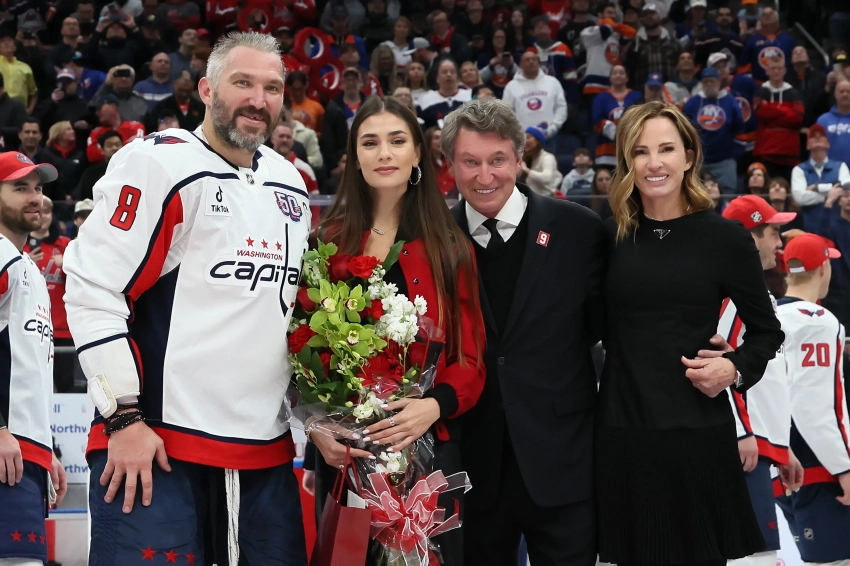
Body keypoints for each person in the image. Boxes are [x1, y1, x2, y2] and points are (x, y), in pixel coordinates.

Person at [63, 32, 310, 565]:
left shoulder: (290, 182)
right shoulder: (159, 164)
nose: (258, 100)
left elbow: (286, 317)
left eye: (272, 88)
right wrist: (122, 418)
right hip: (156, 444)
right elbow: (93, 285)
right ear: (206, 89)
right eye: (242, 83)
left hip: (264, 454)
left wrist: (318, 417)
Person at [598, 101, 785, 566]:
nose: (654, 163)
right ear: (626, 161)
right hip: (624, 432)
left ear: (689, 156)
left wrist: (733, 367)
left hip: (699, 433)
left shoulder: (725, 239)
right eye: (640, 151)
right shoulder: (606, 238)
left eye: (666, 149)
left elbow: (767, 332)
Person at [313, 95, 485, 566]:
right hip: (345, 454)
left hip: (427, 445)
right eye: (370, 143)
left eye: (396, 141)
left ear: (417, 155)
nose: (384, 153)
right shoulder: (327, 242)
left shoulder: (450, 247)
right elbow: (303, 350)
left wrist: (433, 406)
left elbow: (470, 357)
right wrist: (317, 427)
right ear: (354, 157)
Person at [444, 97, 605, 566]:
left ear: (519, 159)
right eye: (470, 161)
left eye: (497, 160)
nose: (485, 175)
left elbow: (605, 329)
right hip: (472, 469)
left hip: (564, 463)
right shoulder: (433, 240)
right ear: (450, 165)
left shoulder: (579, 230)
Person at [718, 195, 804, 566]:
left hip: (757, 443)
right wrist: (740, 432)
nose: (780, 242)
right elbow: (716, 364)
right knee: (753, 558)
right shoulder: (729, 291)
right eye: (773, 232)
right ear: (749, 236)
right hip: (739, 447)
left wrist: (783, 445)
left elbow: (765, 379)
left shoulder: (752, 290)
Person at [0, 152, 67, 565]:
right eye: (19, 187)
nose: (35, 197)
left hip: (27, 449)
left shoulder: (26, 265)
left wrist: (47, 447)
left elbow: (29, 370)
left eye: (38, 188)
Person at [775, 234, 850, 564]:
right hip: (818, 466)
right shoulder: (819, 321)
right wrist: (845, 467)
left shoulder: (767, 314)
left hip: (780, 463)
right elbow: (818, 404)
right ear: (823, 268)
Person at [22, 196, 76, 392]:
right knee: (31, 385)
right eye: (38, 211)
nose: (42, 216)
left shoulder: (67, 245)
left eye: (47, 211)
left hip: (62, 328)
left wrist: (70, 264)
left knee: (66, 386)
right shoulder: (19, 248)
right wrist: (24, 263)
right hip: (29, 328)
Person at [684, 66, 744, 194]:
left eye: (712, 81)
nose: (709, 84)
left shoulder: (730, 101)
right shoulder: (693, 102)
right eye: (706, 82)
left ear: (719, 81)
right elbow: (684, 130)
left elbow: (740, 129)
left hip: (725, 161)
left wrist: (733, 155)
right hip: (699, 161)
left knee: (728, 196)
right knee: (695, 195)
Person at [754, 54, 805, 182]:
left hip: (790, 153)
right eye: (773, 68)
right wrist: (786, 111)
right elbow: (761, 113)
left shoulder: (794, 92)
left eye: (779, 68)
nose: (776, 71)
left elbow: (797, 118)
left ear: (785, 70)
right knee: (767, 189)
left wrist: (772, 108)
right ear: (767, 71)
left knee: (789, 190)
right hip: (766, 151)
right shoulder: (760, 91)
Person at [791, 123, 850, 232]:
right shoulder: (799, 170)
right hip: (810, 229)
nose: (817, 137)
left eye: (821, 135)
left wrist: (818, 187)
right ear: (807, 146)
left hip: (838, 230)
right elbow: (800, 198)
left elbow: (846, 189)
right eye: (813, 136)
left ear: (828, 144)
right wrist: (831, 195)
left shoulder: (841, 166)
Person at [502, 50, 567, 142]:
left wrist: (553, 128)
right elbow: (506, 114)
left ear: (538, 63)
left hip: (549, 137)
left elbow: (561, 107)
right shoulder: (511, 87)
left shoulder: (553, 82)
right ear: (520, 65)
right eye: (527, 60)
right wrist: (518, 134)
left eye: (534, 59)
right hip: (523, 140)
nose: (531, 62)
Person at [622, 3, 680, 93]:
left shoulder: (673, 43)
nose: (649, 16)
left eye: (652, 13)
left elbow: (680, 69)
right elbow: (628, 73)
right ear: (641, 19)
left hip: (670, 93)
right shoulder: (634, 45)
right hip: (643, 94)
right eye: (645, 14)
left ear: (660, 16)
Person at [592, 65, 642, 168]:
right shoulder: (600, 98)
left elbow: (641, 118)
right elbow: (597, 121)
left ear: (627, 78)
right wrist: (616, 134)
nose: (618, 75)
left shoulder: (637, 96)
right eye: (614, 73)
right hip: (606, 153)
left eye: (621, 73)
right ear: (610, 78)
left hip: (631, 150)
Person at [579, 9, 636, 96]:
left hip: (613, 85)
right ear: (600, 15)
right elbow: (605, 30)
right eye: (609, 13)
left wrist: (617, 26)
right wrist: (609, 24)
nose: (613, 16)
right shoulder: (590, 31)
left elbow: (633, 34)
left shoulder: (616, 35)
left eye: (614, 13)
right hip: (594, 84)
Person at [528, 15, 578, 104]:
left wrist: (571, 102)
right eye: (537, 26)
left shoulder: (562, 49)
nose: (540, 28)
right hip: (536, 99)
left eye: (543, 25)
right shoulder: (530, 51)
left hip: (559, 98)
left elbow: (571, 78)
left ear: (550, 30)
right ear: (534, 32)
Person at [738, 8, 795, 85]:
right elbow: (743, 67)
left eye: (771, 14)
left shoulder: (789, 40)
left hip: (784, 85)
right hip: (759, 86)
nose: (767, 16)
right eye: (764, 15)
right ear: (760, 20)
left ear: (777, 19)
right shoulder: (752, 40)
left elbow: (795, 65)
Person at [85, 94, 145, 165]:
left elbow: (138, 149)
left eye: (99, 108)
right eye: (109, 145)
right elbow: (92, 155)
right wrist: (125, 146)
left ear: (113, 106)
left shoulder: (135, 126)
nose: (96, 113)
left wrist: (107, 149)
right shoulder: (96, 132)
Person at [419, 58, 472, 130]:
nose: (449, 74)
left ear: (458, 78)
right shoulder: (426, 98)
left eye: (452, 72)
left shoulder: (470, 95)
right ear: (437, 78)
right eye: (444, 72)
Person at [74, 130, 123, 201]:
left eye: (118, 145)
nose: (114, 148)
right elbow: (84, 199)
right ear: (102, 150)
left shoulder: (131, 170)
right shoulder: (91, 173)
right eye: (109, 145)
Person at [817, 78, 850, 169]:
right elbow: (816, 148)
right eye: (841, 91)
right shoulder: (823, 120)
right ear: (835, 94)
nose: (845, 94)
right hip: (830, 171)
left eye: (848, 91)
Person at [520, 124, 562, 196]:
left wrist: (526, 170)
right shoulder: (529, 159)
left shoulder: (548, 157)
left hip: (547, 198)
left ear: (537, 141)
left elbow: (546, 178)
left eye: (528, 137)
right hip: (532, 198)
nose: (525, 141)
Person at [0, 34, 37, 113]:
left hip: (19, 111)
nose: (6, 43)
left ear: (15, 47)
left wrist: (29, 110)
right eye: (2, 41)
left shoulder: (25, 68)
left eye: (9, 40)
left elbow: (33, 93)